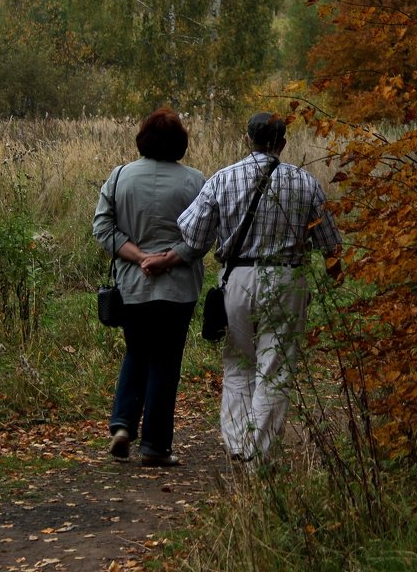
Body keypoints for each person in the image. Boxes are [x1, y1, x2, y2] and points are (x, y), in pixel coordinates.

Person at [146, 111, 342, 463]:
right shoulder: (306, 183)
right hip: (287, 279)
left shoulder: (223, 179)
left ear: (247, 139)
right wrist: (335, 279)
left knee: (237, 362)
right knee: (275, 367)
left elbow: (192, 236)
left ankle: (239, 443)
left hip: (236, 279)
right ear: (282, 143)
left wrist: (165, 259)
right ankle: (260, 452)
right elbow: (330, 244)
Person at [92, 107, 205, 466]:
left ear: (143, 138)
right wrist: (167, 259)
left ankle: (123, 424)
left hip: (133, 286)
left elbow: (103, 228)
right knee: (166, 361)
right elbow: (204, 236)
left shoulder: (120, 176)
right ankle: (155, 446)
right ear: (180, 143)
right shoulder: (195, 181)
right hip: (178, 288)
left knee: (137, 351)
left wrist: (139, 256)